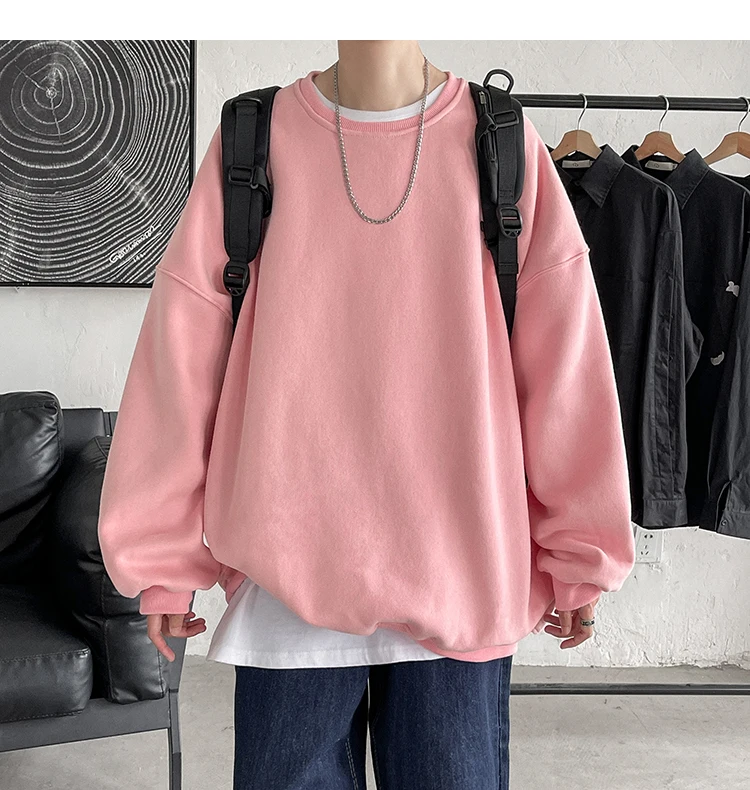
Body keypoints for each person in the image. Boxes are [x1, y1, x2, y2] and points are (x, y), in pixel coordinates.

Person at [97, 40, 636, 790]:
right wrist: (163, 559)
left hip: (460, 585)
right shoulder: (255, 139)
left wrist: (580, 552)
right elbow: (181, 360)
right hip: (292, 592)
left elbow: (563, 364)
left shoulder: (501, 141)